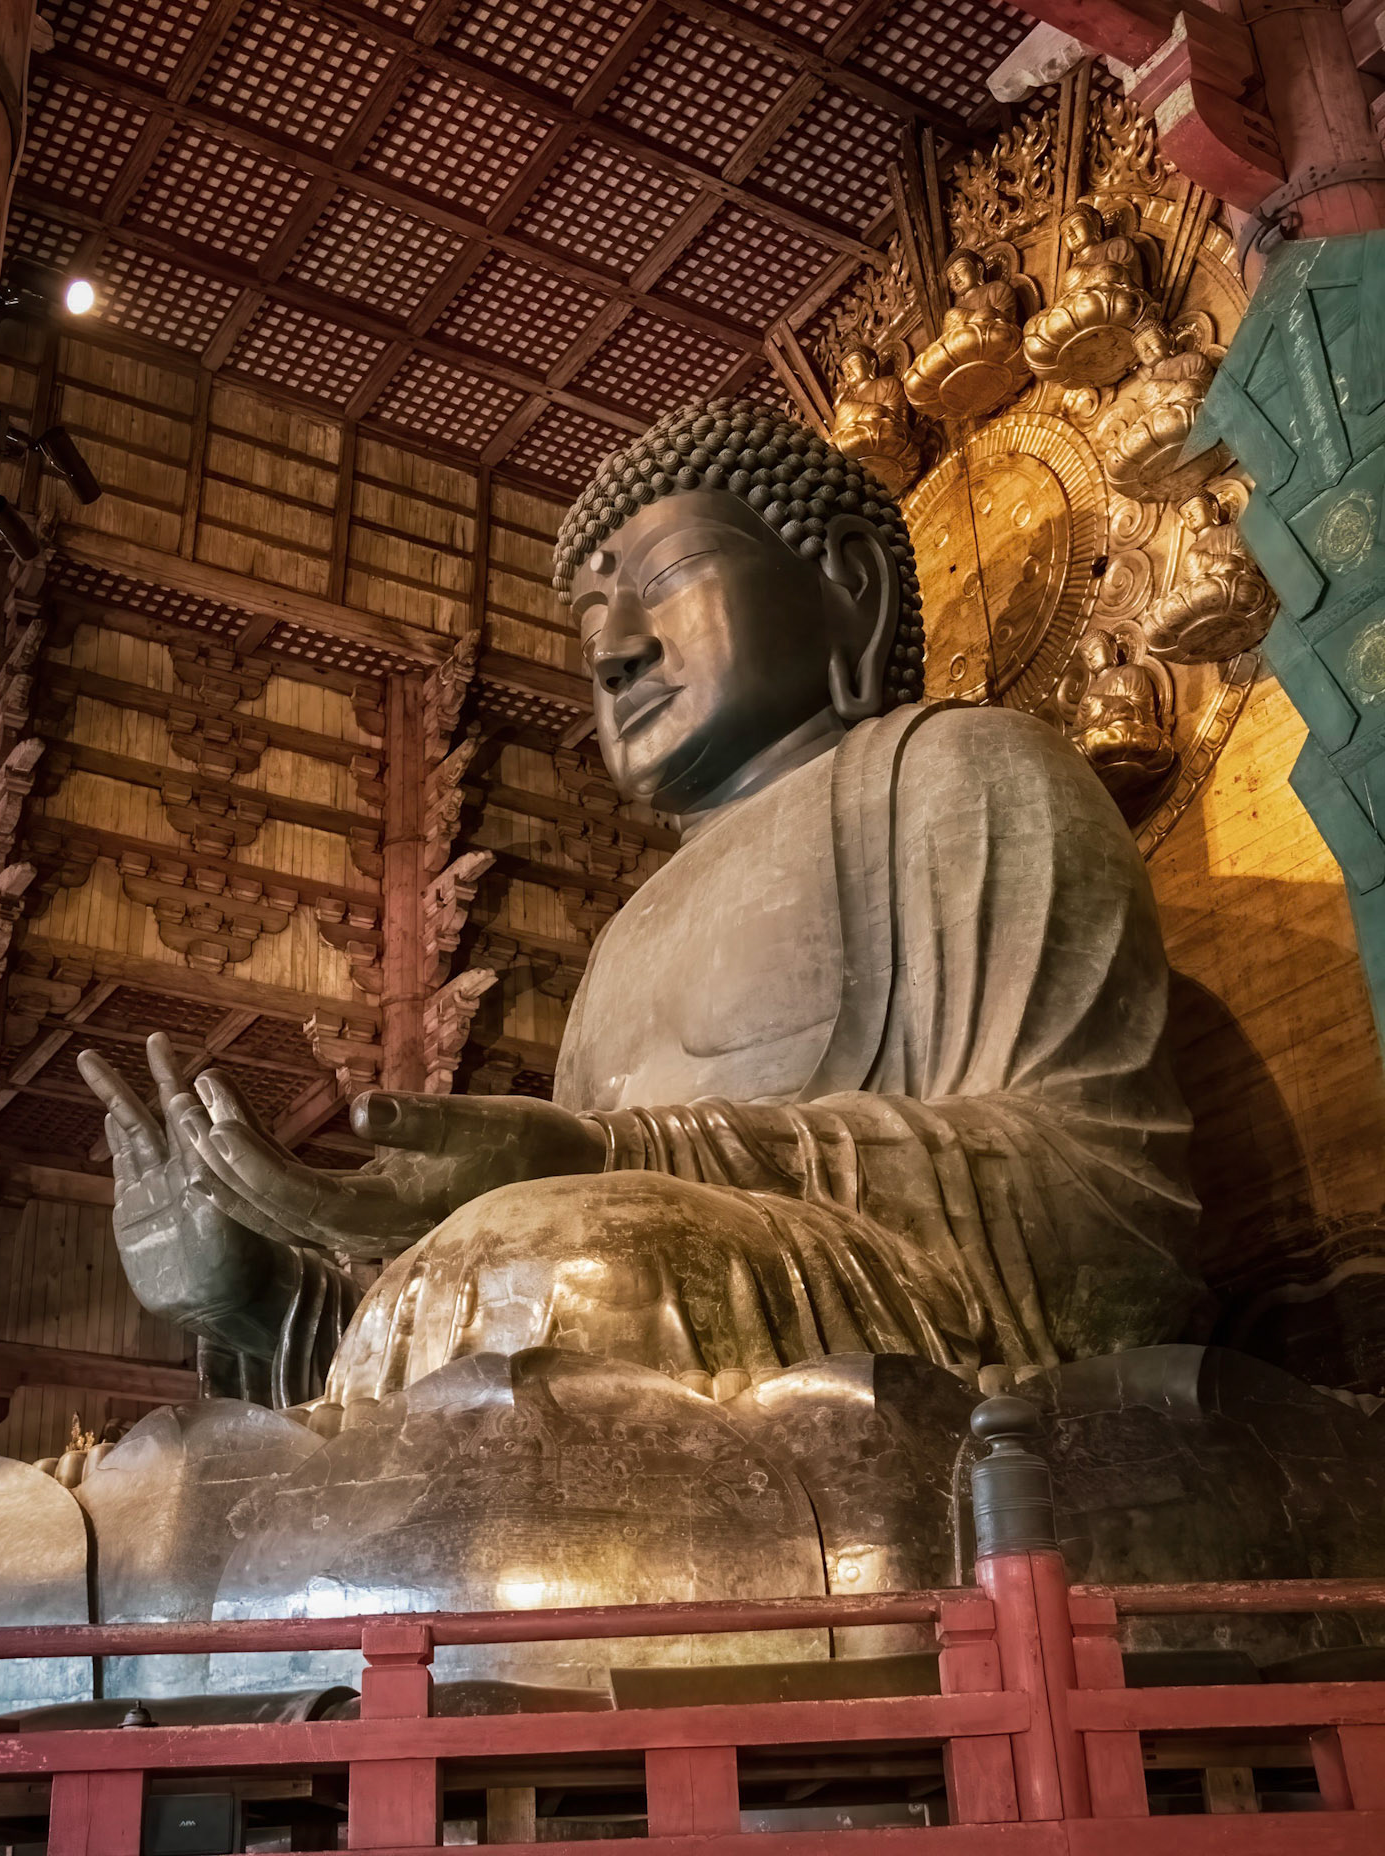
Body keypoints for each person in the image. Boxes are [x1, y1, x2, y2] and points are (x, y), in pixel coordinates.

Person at [82, 400, 1203, 1420]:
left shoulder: (960, 773)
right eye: (590, 622)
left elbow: (1106, 1205)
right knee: (498, 1287)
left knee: (556, 1262)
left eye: (668, 576)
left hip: (909, 1358)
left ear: (847, 585)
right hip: (644, 1315)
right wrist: (261, 1303)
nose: (614, 651)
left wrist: (612, 1153)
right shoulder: (626, 937)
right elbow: (496, 1323)